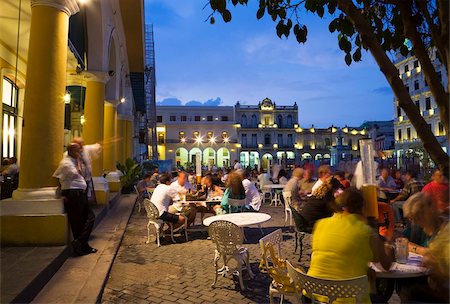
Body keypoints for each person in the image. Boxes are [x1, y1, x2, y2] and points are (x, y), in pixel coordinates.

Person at [307, 188, 394, 303]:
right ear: (362, 208)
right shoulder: (366, 232)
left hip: (315, 296)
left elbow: (336, 255)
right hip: (350, 299)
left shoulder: (321, 224)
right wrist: (389, 246)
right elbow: (386, 265)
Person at [400, 192, 449, 303]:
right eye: (413, 219)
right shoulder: (421, 227)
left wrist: (435, 267)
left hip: (443, 291)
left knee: (410, 292)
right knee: (407, 288)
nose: (415, 223)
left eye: (417, 218)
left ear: (426, 214)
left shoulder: (445, 232)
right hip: (432, 284)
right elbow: (403, 241)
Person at [53, 143, 97, 256]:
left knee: (89, 219)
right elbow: (77, 173)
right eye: (78, 151)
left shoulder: (73, 160)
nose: (80, 153)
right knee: (78, 222)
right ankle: (81, 245)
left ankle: (81, 243)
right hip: (73, 194)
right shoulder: (66, 163)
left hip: (80, 193)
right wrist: (79, 161)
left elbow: (84, 174)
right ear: (72, 151)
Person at [72, 137, 101, 201]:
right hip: (77, 181)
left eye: (81, 144)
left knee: (85, 196)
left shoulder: (86, 149)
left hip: (86, 178)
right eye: (79, 144)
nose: (81, 146)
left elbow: (97, 146)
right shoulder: (69, 154)